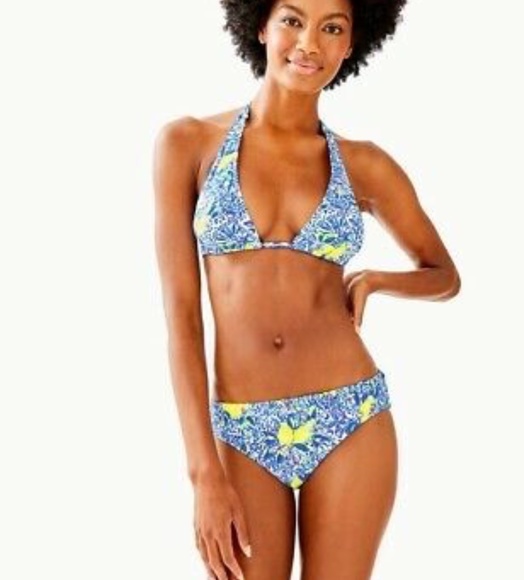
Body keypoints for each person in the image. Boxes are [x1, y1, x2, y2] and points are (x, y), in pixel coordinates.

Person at [153, 0, 461, 578]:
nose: (309, 44)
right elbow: (182, 318)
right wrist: (203, 473)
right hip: (242, 428)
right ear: (260, 25)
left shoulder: (364, 164)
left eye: (332, 28)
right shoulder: (188, 144)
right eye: (293, 20)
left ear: (352, 44)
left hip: (350, 416)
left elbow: (444, 274)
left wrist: (377, 280)